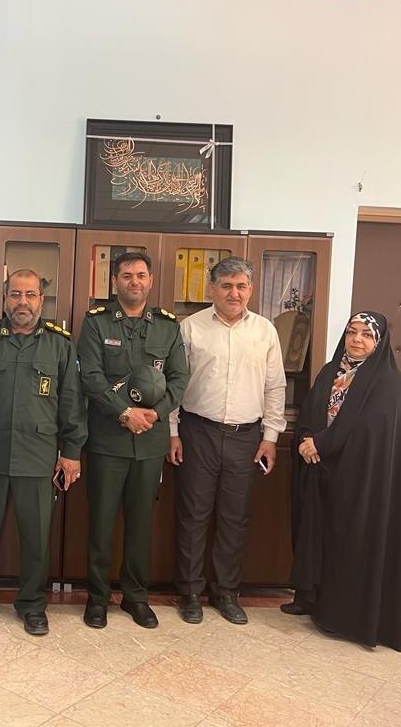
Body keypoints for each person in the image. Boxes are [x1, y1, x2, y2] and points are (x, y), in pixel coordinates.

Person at [0, 269, 87, 636]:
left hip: (38, 456)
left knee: (36, 537)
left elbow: (72, 404)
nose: (22, 302)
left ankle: (32, 605)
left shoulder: (59, 344)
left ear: (41, 300)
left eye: (29, 295)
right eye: (15, 295)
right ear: (5, 298)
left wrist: (72, 451)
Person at [284, 312, 401, 651]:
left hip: (360, 482)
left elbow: (368, 432)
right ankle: (312, 599)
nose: (357, 339)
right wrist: (306, 439)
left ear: (379, 342)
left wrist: (321, 444)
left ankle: (343, 616)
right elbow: (310, 411)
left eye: (366, 335)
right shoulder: (331, 371)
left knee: (351, 542)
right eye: (352, 332)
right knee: (319, 537)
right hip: (321, 472)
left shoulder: (389, 384)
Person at [168, 256, 285, 625]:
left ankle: (226, 593)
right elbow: (175, 384)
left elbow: (275, 387)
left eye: (241, 286)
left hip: (246, 437)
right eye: (226, 286)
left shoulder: (265, 330)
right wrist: (173, 432)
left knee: (235, 518)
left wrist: (270, 437)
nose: (234, 293)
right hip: (197, 432)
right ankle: (189, 593)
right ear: (212, 289)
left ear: (250, 289)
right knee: (193, 516)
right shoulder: (191, 328)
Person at [76, 252, 189, 629]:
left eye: (141, 275)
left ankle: (135, 597)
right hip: (108, 439)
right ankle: (97, 598)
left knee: (141, 525)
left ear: (150, 280)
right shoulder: (96, 323)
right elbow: (90, 377)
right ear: (114, 282)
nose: (134, 282)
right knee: (101, 523)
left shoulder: (168, 327)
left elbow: (179, 378)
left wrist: (156, 414)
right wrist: (124, 412)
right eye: (126, 276)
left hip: (150, 442)